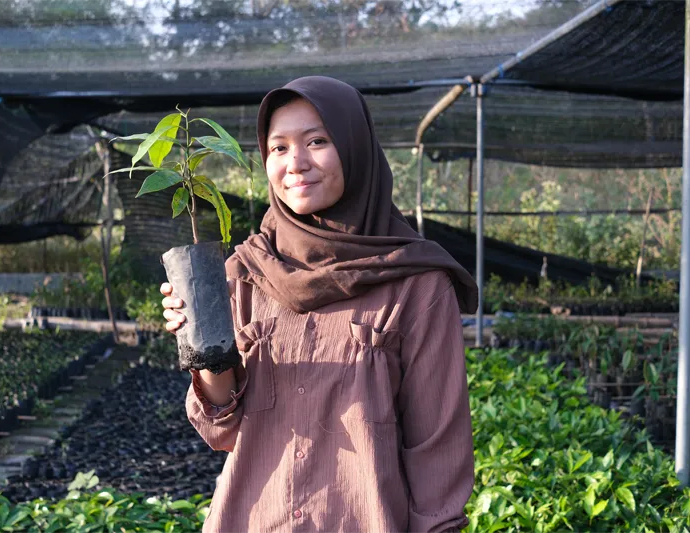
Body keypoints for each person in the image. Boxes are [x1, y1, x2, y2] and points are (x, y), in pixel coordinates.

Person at [160, 76, 478, 533]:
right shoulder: (244, 272)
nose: (296, 163)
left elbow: (437, 451)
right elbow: (221, 430)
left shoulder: (417, 285)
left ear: (354, 146)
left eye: (317, 141)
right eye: (279, 148)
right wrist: (201, 342)